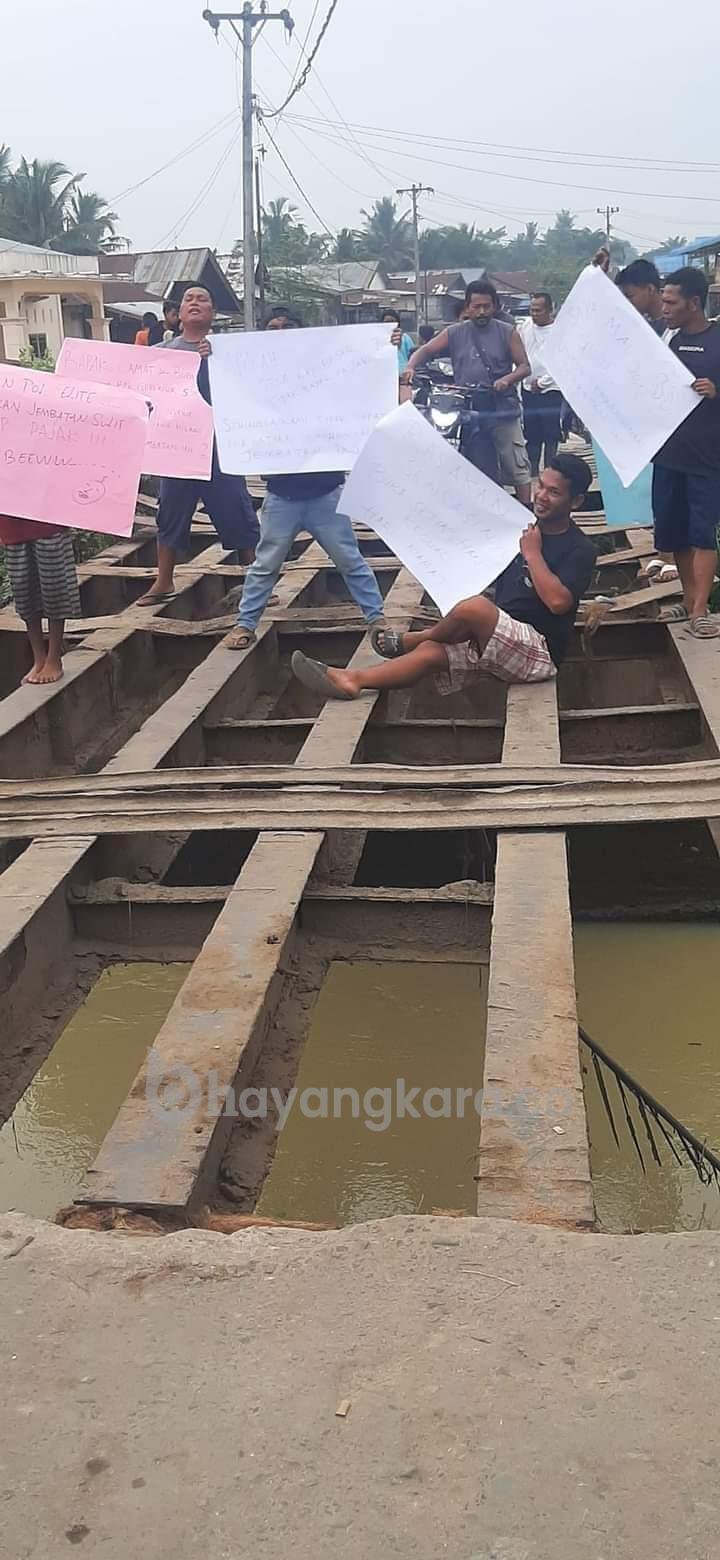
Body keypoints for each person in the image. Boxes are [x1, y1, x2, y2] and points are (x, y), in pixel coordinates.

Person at [290, 454, 595, 703]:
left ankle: (413, 639)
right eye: (540, 485)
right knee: (432, 654)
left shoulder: (579, 548)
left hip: (538, 653)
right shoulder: (523, 526)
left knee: (473, 608)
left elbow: (557, 603)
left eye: (554, 492)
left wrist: (532, 554)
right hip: (498, 637)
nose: (541, 496)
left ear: (577, 502)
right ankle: (352, 679)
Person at [225, 314, 385, 651]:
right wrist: (210, 361)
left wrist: (384, 349)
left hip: (325, 493)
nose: (279, 334)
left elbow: (363, 382)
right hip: (282, 495)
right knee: (266, 563)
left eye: (287, 329)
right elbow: (217, 392)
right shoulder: (255, 380)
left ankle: (377, 618)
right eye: (272, 329)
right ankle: (245, 624)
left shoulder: (327, 376)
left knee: (349, 559)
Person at [137, 285, 259, 606]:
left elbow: (247, 388)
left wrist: (219, 359)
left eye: (202, 299)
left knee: (236, 506)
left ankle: (257, 583)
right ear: (178, 315)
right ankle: (163, 581)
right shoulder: (164, 352)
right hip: (177, 448)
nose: (194, 303)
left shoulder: (227, 351)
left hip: (219, 445)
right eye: (188, 299)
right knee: (171, 513)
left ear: (212, 313)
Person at [403, 280, 532, 504]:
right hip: (466, 409)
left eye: (486, 306)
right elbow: (425, 350)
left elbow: (524, 366)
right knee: (454, 457)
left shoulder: (507, 332)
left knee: (515, 464)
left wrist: (506, 379)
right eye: (476, 306)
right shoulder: (454, 332)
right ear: (467, 306)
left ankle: (529, 515)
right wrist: (410, 367)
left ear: (494, 306)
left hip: (501, 407)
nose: (481, 311)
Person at [651, 267, 720, 638]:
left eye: (671, 302)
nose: (665, 308)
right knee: (674, 532)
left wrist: (717, 392)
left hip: (708, 458)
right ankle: (689, 599)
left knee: (703, 534)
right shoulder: (666, 339)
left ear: (693, 303)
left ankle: (700, 609)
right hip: (669, 455)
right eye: (662, 300)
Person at [0, 516, 81, 684]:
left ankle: (54, 657)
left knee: (55, 587)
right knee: (23, 589)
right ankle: (39, 658)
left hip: (48, 522)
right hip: (11, 524)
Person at [516, 292, 562, 476]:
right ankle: (532, 473)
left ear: (550, 310)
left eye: (538, 310)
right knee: (532, 433)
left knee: (550, 434)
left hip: (550, 390)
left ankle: (550, 471)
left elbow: (562, 362)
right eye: (531, 310)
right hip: (528, 389)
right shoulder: (525, 326)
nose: (534, 314)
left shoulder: (559, 332)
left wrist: (542, 383)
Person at [616, 259, 666, 335]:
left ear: (650, 289)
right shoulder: (641, 323)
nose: (627, 302)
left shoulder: (672, 326)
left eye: (630, 296)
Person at [382, 309, 415, 374]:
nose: (389, 324)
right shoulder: (380, 340)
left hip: (403, 374)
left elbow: (412, 355)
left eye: (392, 322)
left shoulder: (405, 338)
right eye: (386, 322)